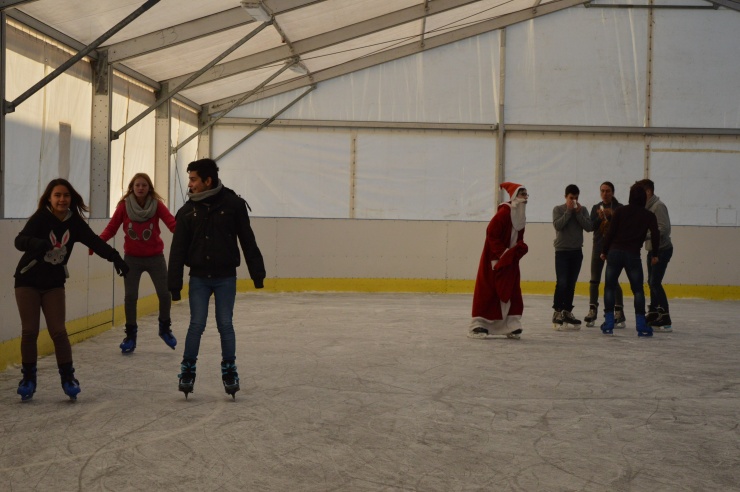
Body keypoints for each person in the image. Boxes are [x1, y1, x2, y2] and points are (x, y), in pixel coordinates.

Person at [14, 178, 129, 401]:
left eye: (66, 195)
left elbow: (94, 242)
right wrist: (36, 243)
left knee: (58, 331)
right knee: (30, 331)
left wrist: (115, 258)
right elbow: (19, 241)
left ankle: (68, 378)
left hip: (54, 283)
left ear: (71, 198)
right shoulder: (40, 218)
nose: (62, 199)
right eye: (57, 195)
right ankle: (28, 379)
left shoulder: (74, 222)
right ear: (49, 198)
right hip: (27, 280)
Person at [168, 158, 266, 399]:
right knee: (196, 324)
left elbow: (248, 240)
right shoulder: (187, 211)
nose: (189, 184)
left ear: (207, 181)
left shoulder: (233, 205)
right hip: (199, 278)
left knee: (225, 324)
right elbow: (177, 250)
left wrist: (257, 273)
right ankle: (187, 370)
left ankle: (229, 370)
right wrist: (174, 285)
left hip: (225, 277)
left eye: (193, 179)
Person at [95, 173, 177, 353]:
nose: (140, 188)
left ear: (149, 188)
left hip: (155, 257)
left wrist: (188, 235)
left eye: (144, 185)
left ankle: (164, 328)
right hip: (132, 259)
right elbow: (112, 228)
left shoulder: (157, 205)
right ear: (132, 187)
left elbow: (172, 224)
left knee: (165, 293)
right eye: (137, 185)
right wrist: (97, 243)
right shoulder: (124, 207)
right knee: (131, 297)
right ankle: (130, 335)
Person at [469, 182, 529, 340]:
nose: (526, 197)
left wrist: (517, 250)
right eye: (523, 194)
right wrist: (503, 253)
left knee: (512, 290)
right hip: (494, 259)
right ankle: (479, 323)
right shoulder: (504, 213)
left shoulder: (520, 215)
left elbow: (518, 237)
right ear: (515, 196)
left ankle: (512, 324)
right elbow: (491, 233)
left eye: (526, 194)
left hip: (510, 260)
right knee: (489, 290)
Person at [600, 182, 659, 337]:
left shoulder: (620, 211)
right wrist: (655, 254)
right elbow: (655, 234)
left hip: (615, 252)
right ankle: (641, 324)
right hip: (633, 254)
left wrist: (604, 251)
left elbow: (610, 232)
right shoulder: (648, 215)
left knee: (609, 287)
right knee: (638, 290)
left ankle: (609, 322)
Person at [551, 184, 593, 330]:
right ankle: (557, 311)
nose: (573, 201)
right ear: (565, 197)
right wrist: (569, 211)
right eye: (571, 198)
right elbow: (558, 225)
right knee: (562, 282)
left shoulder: (583, 210)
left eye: (576, 198)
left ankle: (567, 311)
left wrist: (578, 214)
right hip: (562, 251)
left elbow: (589, 227)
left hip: (576, 251)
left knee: (571, 283)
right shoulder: (558, 209)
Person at [585, 182, 625, 328]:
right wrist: (599, 218)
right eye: (602, 191)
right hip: (598, 247)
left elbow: (624, 226)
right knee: (594, 280)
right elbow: (590, 227)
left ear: (613, 192)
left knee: (613, 280)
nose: (605, 193)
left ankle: (619, 312)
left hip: (614, 248)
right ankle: (592, 309)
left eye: (608, 191)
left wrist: (612, 215)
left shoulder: (619, 208)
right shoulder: (596, 207)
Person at [640, 179, 674, 332]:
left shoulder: (658, 206)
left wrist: (645, 235)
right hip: (652, 250)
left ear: (648, 192)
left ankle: (665, 315)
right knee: (651, 281)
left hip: (662, 250)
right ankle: (654, 312)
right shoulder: (647, 207)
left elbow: (664, 228)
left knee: (655, 282)